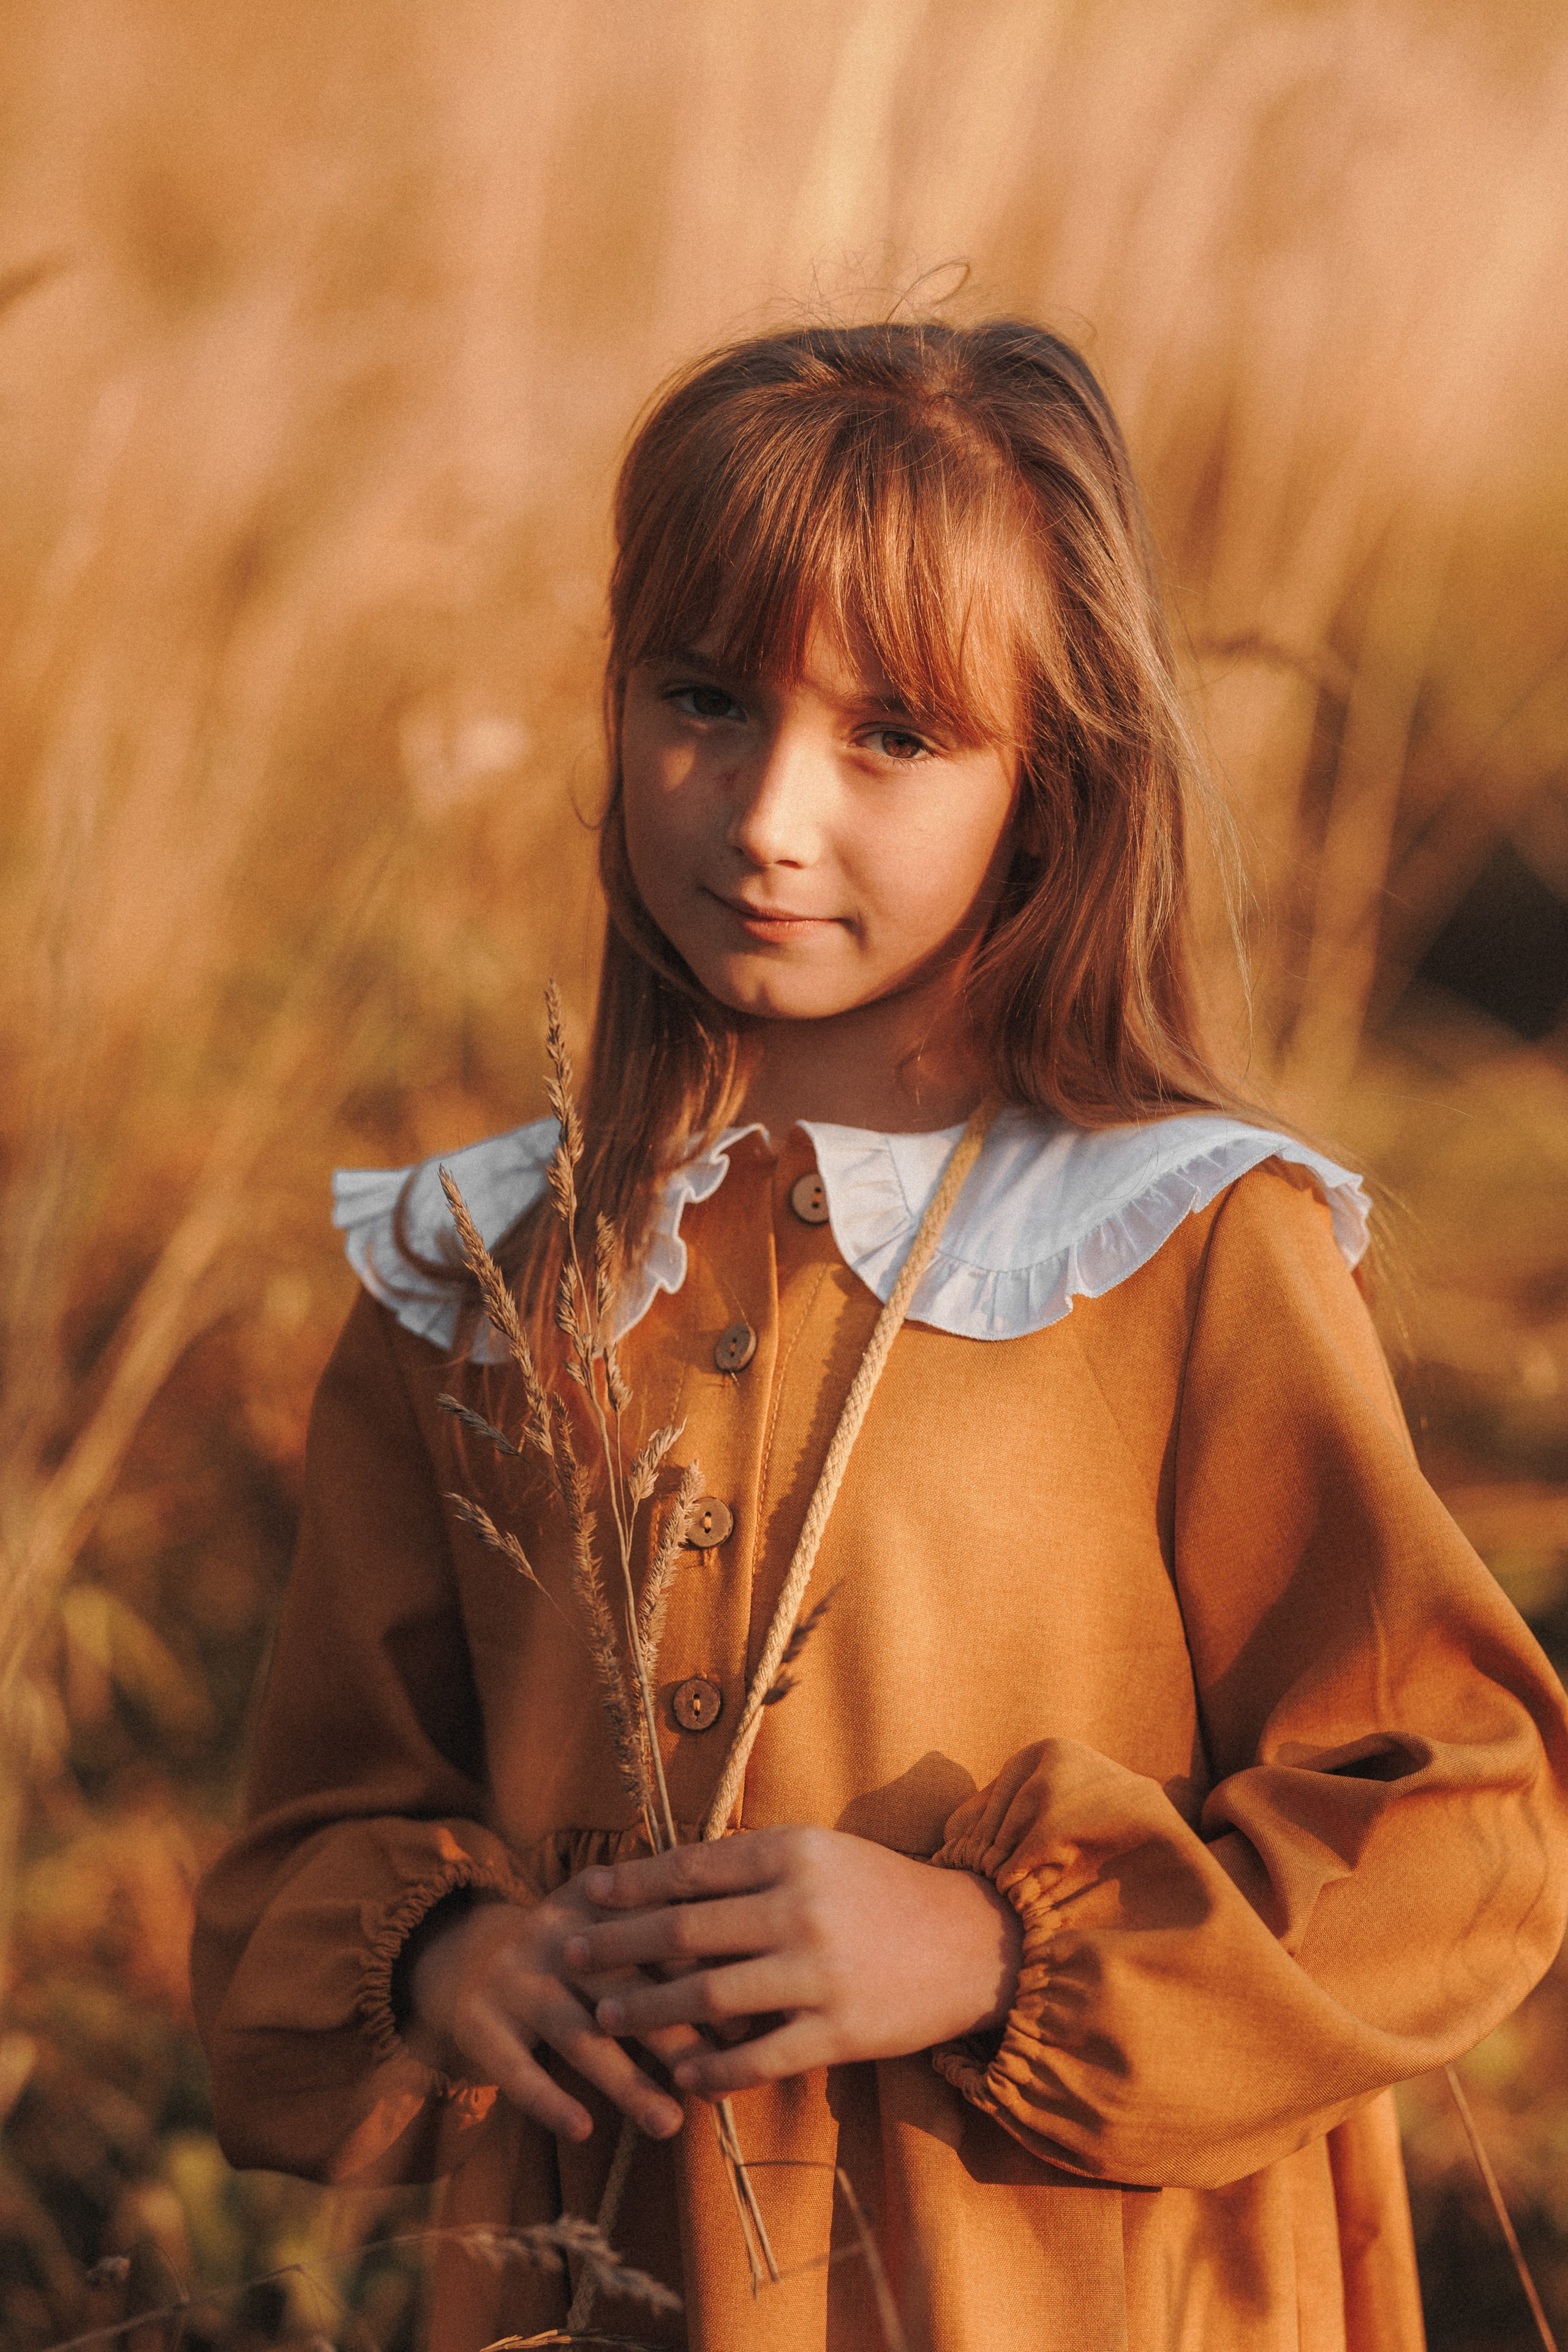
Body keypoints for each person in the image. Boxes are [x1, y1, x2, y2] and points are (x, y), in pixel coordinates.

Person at [191, 320, 1568, 2352]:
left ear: (1054, 777)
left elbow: (1458, 1817)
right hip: (609, 2287)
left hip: (1080, 2280)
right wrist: (451, 1964)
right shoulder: (478, 1280)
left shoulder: (1186, 1243)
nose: (765, 813)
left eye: (896, 736)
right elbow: (310, 1839)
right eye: (703, 699)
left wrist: (992, 1944)